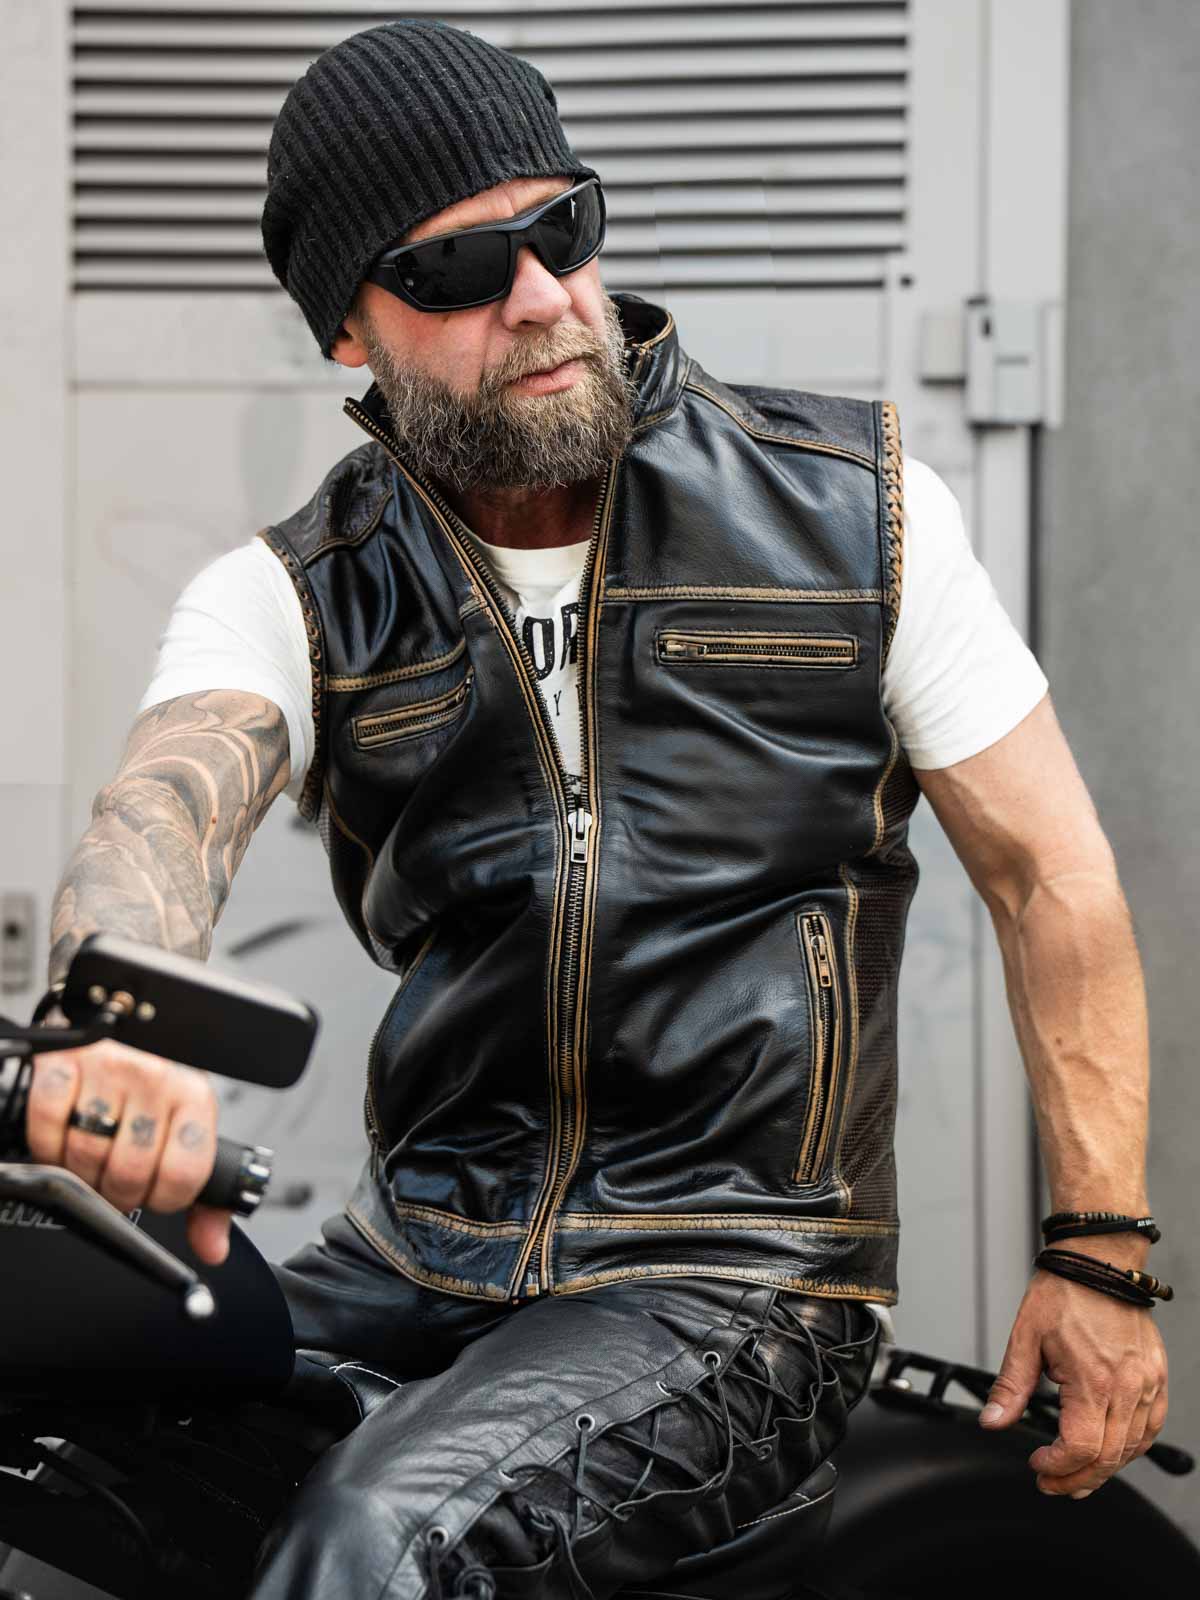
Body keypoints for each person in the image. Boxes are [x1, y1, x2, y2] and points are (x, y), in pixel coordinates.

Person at [29, 18, 1167, 1599]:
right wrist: (117, 1019)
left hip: (740, 1279)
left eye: (560, 228)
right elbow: (164, 811)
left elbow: (1053, 878)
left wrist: (1100, 1253)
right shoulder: (296, 589)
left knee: (380, 1542)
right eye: (454, 269)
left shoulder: (859, 512)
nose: (538, 295)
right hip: (421, 1254)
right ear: (348, 329)